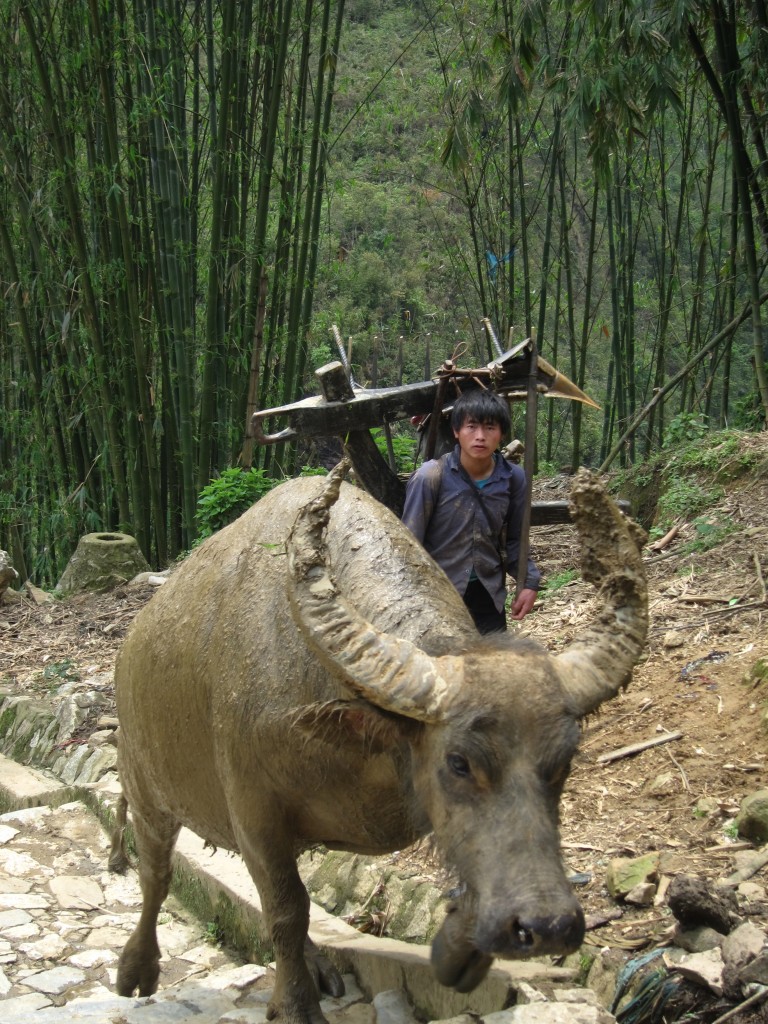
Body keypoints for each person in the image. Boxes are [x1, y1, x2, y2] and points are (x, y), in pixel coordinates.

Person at [401, 389, 540, 634]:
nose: (480, 436)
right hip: (439, 595)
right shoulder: (430, 477)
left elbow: (516, 538)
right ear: (456, 431)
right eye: (471, 427)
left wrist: (528, 582)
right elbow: (409, 545)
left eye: (489, 428)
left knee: (492, 668)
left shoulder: (513, 478)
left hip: (488, 594)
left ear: (502, 433)